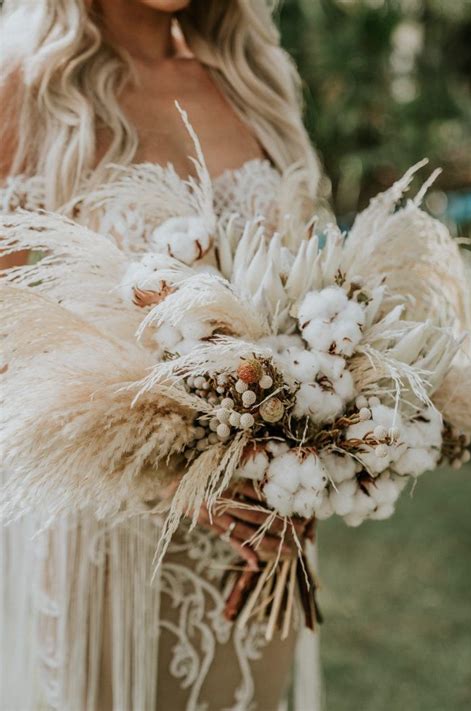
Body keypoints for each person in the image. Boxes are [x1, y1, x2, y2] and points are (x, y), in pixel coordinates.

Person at [0, 1, 322, 709]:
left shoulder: (252, 76)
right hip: (116, 532)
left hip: (264, 532)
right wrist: (168, 471)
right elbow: (9, 342)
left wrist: (322, 451)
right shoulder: (25, 83)